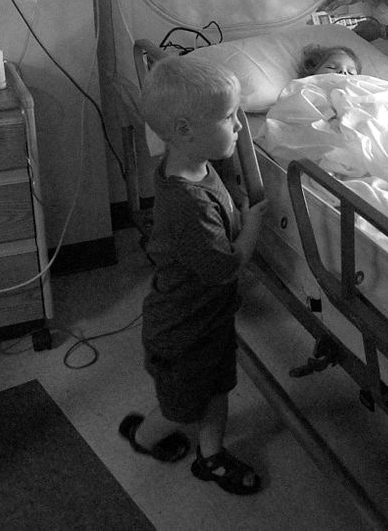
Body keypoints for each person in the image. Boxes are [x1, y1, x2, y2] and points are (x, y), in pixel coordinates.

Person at [119, 55, 269, 495]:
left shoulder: (193, 163)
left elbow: (218, 190)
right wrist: (253, 222)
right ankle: (143, 436)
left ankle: (211, 456)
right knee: (183, 408)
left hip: (210, 323)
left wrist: (234, 196)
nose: (239, 125)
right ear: (185, 131)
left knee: (218, 388)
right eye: (228, 117)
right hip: (182, 332)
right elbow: (225, 267)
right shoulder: (185, 204)